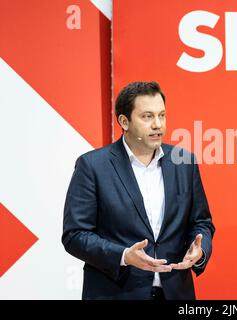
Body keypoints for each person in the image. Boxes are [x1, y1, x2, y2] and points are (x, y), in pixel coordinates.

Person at [62, 81, 215, 300]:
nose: (157, 124)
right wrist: (124, 255)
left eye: (162, 115)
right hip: (117, 293)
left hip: (175, 293)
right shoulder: (93, 166)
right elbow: (75, 235)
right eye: (147, 116)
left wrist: (199, 250)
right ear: (124, 121)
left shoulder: (184, 163)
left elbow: (201, 223)